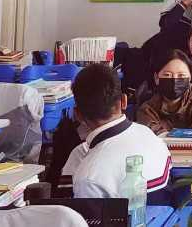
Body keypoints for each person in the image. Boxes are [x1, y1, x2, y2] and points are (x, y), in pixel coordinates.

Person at [62, 64, 171, 198]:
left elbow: (77, 211)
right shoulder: (151, 136)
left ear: (77, 114)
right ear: (124, 101)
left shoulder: (88, 177)